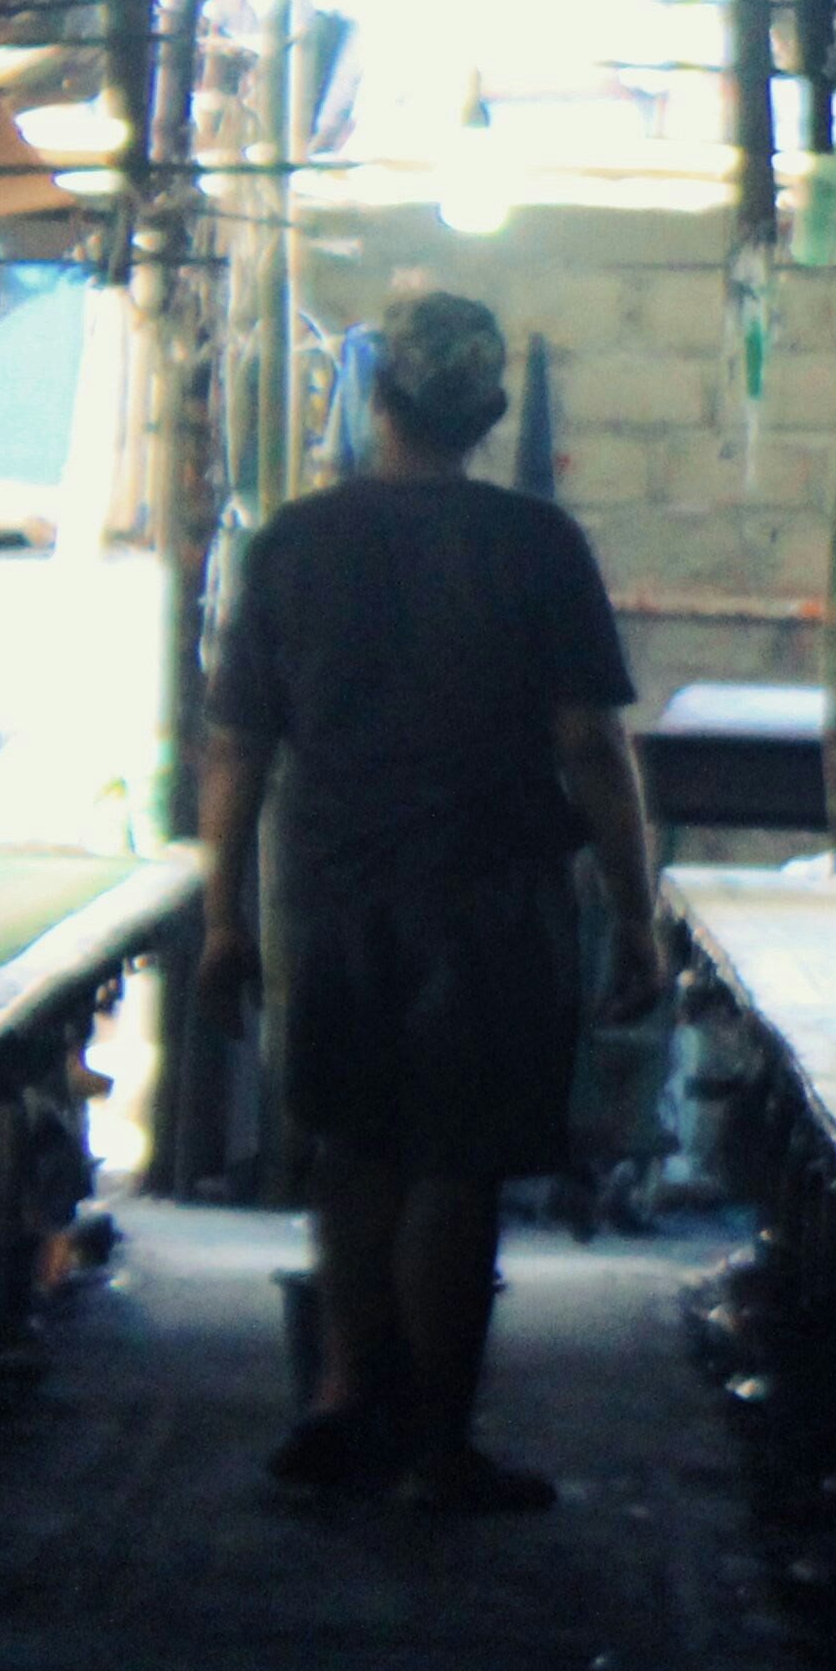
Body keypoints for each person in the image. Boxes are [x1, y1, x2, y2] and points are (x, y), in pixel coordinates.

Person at [197, 289, 661, 1509]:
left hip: (333, 898)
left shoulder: (293, 544)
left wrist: (224, 920)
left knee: (353, 1147)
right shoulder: (536, 547)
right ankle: (439, 1446)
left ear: (375, 399)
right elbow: (593, 747)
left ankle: (349, 1401)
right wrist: (638, 916)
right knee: (455, 1165)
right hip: (491, 901)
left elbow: (236, 748)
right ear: (493, 411)